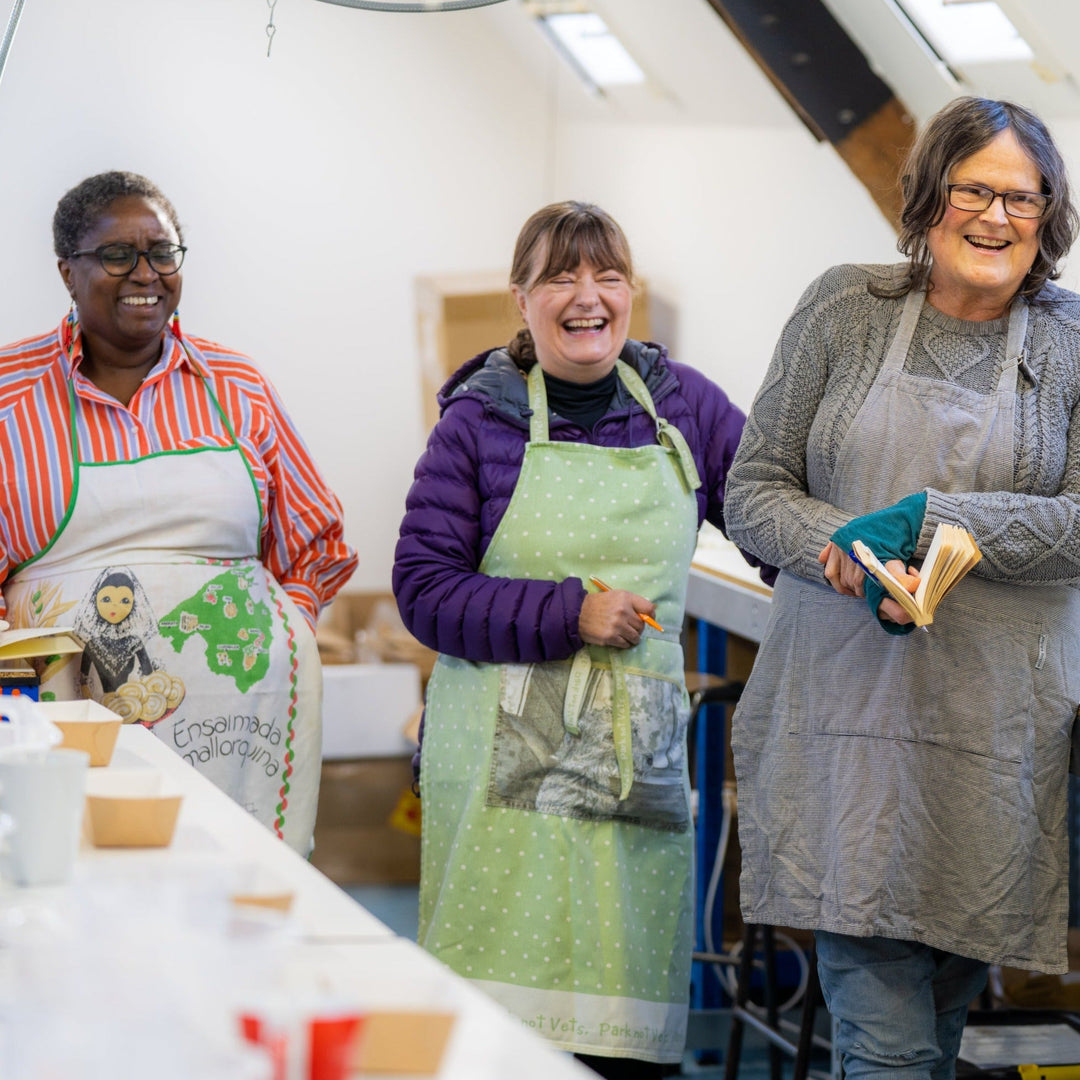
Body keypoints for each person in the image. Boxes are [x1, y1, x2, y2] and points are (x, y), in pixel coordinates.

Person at [725, 96, 1080, 1080]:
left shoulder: (1071, 345)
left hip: (991, 737)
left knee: (939, 1023)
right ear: (928, 196)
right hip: (850, 723)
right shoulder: (844, 309)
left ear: (1048, 214)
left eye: (1022, 197)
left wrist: (927, 520)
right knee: (887, 1045)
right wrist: (844, 547)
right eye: (974, 190)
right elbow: (753, 489)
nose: (996, 217)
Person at [394, 201, 761, 1078]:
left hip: (633, 759)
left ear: (629, 293)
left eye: (607, 275)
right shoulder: (476, 422)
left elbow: (765, 515)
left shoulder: (685, 407)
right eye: (560, 276)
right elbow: (424, 591)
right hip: (492, 768)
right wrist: (571, 613)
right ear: (520, 299)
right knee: (501, 1038)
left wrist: (852, 566)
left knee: (621, 1022)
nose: (587, 295)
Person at [0, 171, 357, 852]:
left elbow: (317, 540)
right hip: (67, 722)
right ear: (67, 272)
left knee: (240, 883)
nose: (146, 274)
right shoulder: (9, 395)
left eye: (162, 252)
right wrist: (24, 695)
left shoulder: (237, 384)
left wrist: (285, 633)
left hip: (249, 725)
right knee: (87, 876)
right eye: (117, 255)